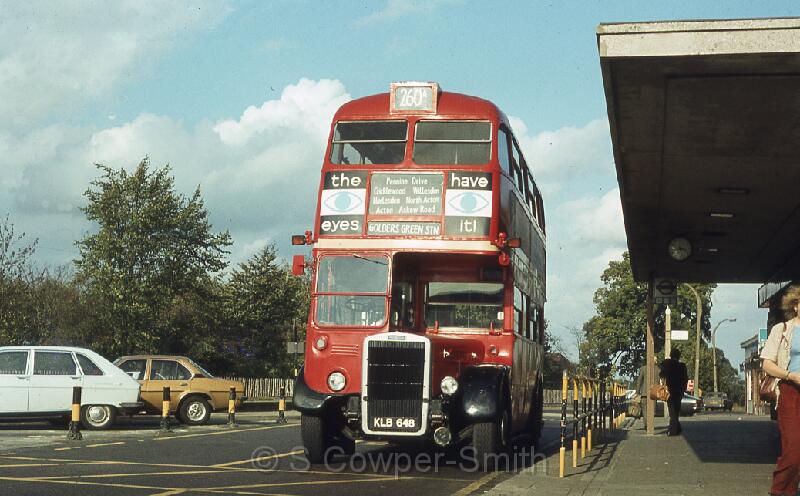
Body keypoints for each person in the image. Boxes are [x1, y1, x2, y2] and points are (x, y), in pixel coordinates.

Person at [762, 284, 800, 496]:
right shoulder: (783, 329)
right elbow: (767, 364)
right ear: (795, 305)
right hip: (791, 393)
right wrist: (790, 376)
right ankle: (780, 491)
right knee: (793, 453)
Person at [659, 348, 688, 436]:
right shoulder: (682, 366)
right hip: (679, 390)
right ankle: (677, 428)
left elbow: (661, 374)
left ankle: (673, 430)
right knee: (676, 410)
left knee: (672, 411)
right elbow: (685, 379)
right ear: (679, 356)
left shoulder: (667, 363)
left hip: (670, 389)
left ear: (671, 355)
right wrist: (683, 388)